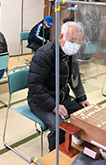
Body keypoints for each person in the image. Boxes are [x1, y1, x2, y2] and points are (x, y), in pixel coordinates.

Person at [27, 21, 90, 151]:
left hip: (61, 96)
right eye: (73, 40)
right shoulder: (44, 54)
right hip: (40, 100)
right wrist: (53, 106)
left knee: (84, 115)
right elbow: (35, 86)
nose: (76, 45)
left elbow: (75, 78)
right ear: (61, 36)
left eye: (79, 41)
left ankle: (77, 145)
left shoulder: (70, 54)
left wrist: (81, 98)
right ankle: (55, 157)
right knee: (59, 127)